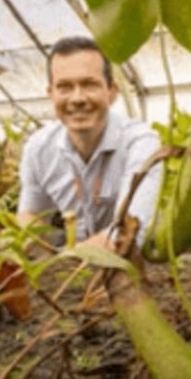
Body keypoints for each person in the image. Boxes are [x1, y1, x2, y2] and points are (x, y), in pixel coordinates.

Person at [17, 36, 162, 249]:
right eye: (64, 87)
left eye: (89, 84)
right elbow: (29, 214)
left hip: (135, 266)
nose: (77, 98)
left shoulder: (140, 144)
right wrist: (43, 250)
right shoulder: (39, 148)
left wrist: (67, 260)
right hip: (75, 265)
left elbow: (130, 232)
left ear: (111, 92)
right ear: (51, 94)